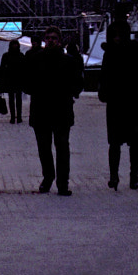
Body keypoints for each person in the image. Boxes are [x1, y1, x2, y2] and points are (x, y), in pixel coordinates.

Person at [29, 27, 81, 195]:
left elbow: (77, 84)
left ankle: (61, 181)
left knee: (62, 148)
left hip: (59, 110)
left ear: (59, 40)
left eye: (53, 38)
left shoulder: (68, 61)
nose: (50, 41)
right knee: (45, 148)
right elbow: (27, 81)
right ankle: (50, 177)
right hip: (44, 109)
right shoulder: (36, 59)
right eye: (48, 38)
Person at [98, 19, 138, 189]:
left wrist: (104, 91)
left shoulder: (113, 54)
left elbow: (104, 76)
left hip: (124, 101)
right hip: (125, 101)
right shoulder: (134, 53)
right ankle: (119, 176)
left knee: (128, 142)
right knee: (121, 142)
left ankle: (129, 176)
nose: (116, 38)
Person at [0, 38, 25, 123]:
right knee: (18, 99)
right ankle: (18, 117)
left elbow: (2, 68)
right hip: (18, 80)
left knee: (12, 99)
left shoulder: (6, 55)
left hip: (10, 80)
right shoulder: (21, 55)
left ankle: (13, 117)